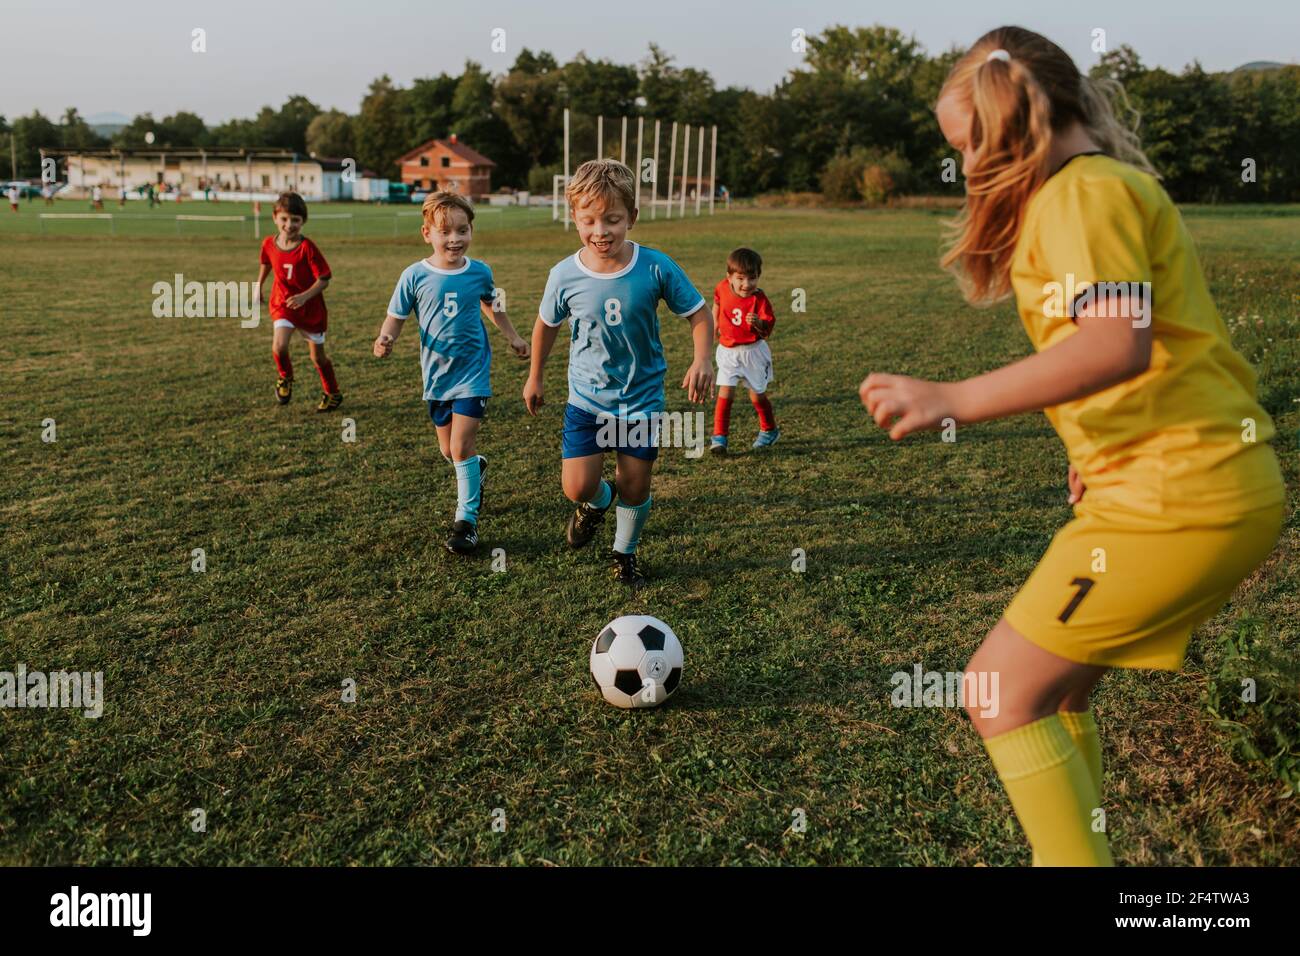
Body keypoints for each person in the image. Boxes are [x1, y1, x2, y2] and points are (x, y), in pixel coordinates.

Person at [859, 26, 1285, 866]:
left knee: (998, 693)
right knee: (1048, 699)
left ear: (1017, 120)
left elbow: (1113, 343)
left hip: (1184, 498)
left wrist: (955, 400)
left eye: (971, 146)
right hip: (1155, 489)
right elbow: (1133, 358)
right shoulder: (1081, 194)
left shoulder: (1085, 193)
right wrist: (1090, 450)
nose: (969, 170)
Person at [524, 159, 714, 588]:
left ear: (632, 217)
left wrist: (703, 358)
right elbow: (546, 326)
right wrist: (535, 376)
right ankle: (595, 505)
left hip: (641, 401)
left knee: (635, 485)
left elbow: (700, 313)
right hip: (587, 401)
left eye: (612, 219)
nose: (600, 231)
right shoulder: (564, 275)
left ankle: (624, 553)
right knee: (577, 487)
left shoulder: (656, 266)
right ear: (574, 217)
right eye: (588, 220)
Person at [373, 191, 529, 555]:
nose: (455, 238)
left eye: (463, 230)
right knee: (449, 449)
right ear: (426, 233)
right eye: (445, 231)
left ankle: (466, 522)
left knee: (460, 446)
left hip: (473, 373)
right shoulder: (413, 275)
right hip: (437, 378)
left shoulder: (479, 271)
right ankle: (476, 468)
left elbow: (493, 304)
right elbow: (395, 318)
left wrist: (513, 336)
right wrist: (385, 338)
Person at [256, 192, 341, 411]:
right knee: (279, 345)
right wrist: (259, 285)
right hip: (282, 303)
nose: (289, 225)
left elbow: (324, 278)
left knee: (317, 357)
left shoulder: (307, 248)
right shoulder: (268, 243)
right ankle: (285, 377)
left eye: (295, 220)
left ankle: (332, 393)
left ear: (303, 221)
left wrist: (304, 297)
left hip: (310, 309)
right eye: (284, 219)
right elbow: (266, 263)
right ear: (275, 217)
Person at [710, 246, 779, 454]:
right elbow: (717, 304)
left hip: (753, 352)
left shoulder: (760, 300)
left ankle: (769, 430)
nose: (746, 284)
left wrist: (758, 321)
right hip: (728, 351)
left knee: (757, 396)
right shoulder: (721, 288)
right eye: (740, 278)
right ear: (729, 277)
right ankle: (719, 438)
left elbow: (768, 326)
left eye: (752, 278)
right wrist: (713, 324)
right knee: (725, 392)